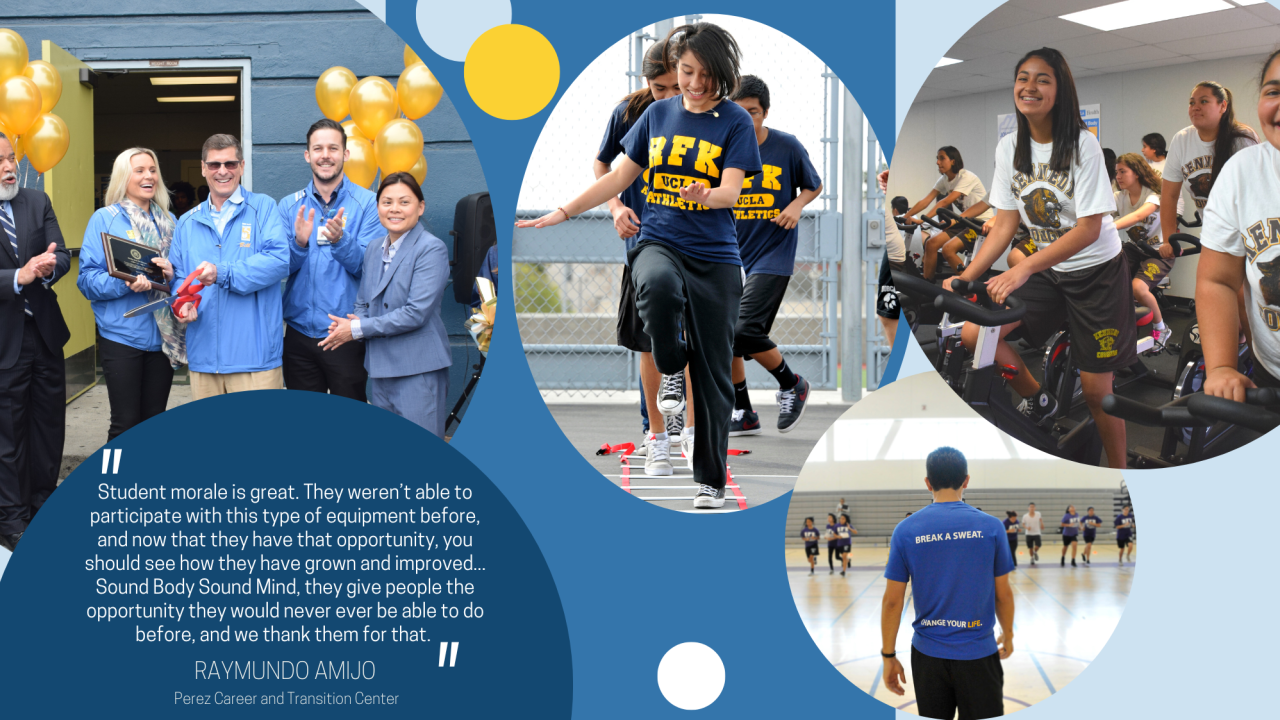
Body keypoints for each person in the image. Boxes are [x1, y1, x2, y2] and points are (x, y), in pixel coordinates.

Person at [516, 23, 761, 509]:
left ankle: (709, 480)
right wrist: (565, 211)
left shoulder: (734, 122)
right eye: (686, 72)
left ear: (723, 74)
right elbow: (617, 177)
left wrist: (706, 194)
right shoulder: (656, 116)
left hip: (715, 255)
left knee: (713, 376)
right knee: (655, 286)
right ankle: (671, 365)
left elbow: (732, 191)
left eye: (704, 76)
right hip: (660, 239)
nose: (693, 84)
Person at [944, 48, 1134, 469]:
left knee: (1096, 391)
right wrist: (964, 277)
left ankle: (1120, 472)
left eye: (1042, 79)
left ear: (1060, 89)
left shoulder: (1082, 145)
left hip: (1096, 271)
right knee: (977, 336)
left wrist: (1025, 267)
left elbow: (1087, 229)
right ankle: (1040, 398)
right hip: (1051, 268)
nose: (1029, 87)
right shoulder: (1009, 147)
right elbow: (1006, 223)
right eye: (1023, 78)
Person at [594, 40, 681, 473]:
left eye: (674, 85)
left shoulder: (707, 114)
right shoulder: (628, 114)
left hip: (694, 242)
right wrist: (616, 207)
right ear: (646, 82)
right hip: (644, 244)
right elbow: (602, 166)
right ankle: (656, 430)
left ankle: (694, 432)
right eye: (659, 87)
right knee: (648, 339)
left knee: (698, 343)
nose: (668, 96)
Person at [881, 447, 1014, 720]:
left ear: (928, 483)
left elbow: (893, 601)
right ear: (966, 480)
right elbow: (1003, 594)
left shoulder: (905, 530)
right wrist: (1008, 634)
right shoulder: (991, 527)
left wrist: (888, 655)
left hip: (928, 657)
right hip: (979, 654)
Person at [727, 75, 822, 435]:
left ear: (765, 112)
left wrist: (797, 205)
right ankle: (744, 411)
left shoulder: (786, 146)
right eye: (738, 112)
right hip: (733, 254)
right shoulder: (723, 148)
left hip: (773, 252)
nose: (746, 119)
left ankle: (791, 383)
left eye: (752, 112)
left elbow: (814, 184)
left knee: (743, 329)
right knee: (731, 336)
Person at [321, 172, 451, 436]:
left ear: (420, 206)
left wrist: (356, 329)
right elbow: (363, 302)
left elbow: (416, 313)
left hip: (418, 370)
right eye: (387, 202)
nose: (395, 209)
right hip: (380, 369)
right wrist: (355, 321)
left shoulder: (431, 248)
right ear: (378, 206)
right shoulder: (374, 248)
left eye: (404, 202)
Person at [169, 134, 289, 399]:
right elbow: (178, 277)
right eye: (214, 165)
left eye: (230, 164)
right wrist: (181, 303)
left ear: (242, 166)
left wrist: (222, 272)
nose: (223, 171)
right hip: (204, 358)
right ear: (203, 168)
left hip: (255, 359)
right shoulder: (187, 222)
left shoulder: (264, 208)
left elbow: (279, 261)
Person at [77, 147, 184, 440]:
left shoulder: (170, 222)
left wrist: (172, 276)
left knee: (154, 423)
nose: (148, 176)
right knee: (124, 424)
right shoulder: (104, 219)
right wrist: (123, 283)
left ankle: (146, 484)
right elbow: (86, 280)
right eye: (139, 170)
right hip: (122, 336)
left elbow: (182, 279)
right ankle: (112, 483)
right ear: (124, 177)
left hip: (163, 338)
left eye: (152, 170)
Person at [277, 118, 383, 401]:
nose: (325, 155)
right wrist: (299, 243)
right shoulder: (288, 206)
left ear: (346, 154)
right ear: (307, 155)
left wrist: (341, 241)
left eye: (333, 148)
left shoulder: (369, 205)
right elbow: (277, 268)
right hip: (298, 334)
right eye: (318, 148)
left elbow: (369, 268)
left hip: (345, 332)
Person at [0, 132, 68, 553]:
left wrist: (46, 268)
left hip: (44, 336)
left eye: (10, 158)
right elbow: (17, 273)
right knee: (8, 436)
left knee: (47, 427)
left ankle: (44, 506)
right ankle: (11, 518)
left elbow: (60, 254)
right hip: (4, 342)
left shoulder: (36, 201)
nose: (8, 167)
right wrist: (18, 277)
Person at [1198, 50, 1280, 400]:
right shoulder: (1243, 171)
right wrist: (1221, 367)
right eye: (1273, 91)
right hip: (1272, 370)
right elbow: (1217, 279)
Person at [1160, 79, 1257, 250]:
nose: (1195, 107)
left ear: (1222, 106)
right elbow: (1169, 195)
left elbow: (1257, 195)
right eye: (1192, 102)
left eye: (1204, 101)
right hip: (1214, 234)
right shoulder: (1182, 139)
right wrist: (1168, 239)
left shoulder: (1242, 139)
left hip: (1250, 230)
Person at [900, 147, 994, 280]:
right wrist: (903, 217)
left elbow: (945, 202)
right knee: (931, 244)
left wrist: (922, 221)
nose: (938, 162)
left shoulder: (966, 177)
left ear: (953, 161)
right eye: (937, 158)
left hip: (980, 223)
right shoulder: (945, 179)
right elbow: (926, 200)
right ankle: (927, 285)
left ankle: (968, 285)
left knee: (947, 249)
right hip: (963, 221)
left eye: (942, 158)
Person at [1113, 152, 1173, 349]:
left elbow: (1139, 215)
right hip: (1134, 248)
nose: (1118, 177)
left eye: (1123, 172)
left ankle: (1161, 327)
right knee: (1106, 276)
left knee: (1138, 288)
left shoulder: (1153, 195)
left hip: (1158, 252)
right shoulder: (1118, 197)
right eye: (1117, 172)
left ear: (1136, 173)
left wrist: (1110, 227)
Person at [837, 512, 856, 576]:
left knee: (844, 556)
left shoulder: (848, 525)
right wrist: (837, 536)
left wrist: (849, 528)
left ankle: (843, 571)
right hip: (840, 544)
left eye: (843, 519)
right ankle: (848, 560)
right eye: (841, 518)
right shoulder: (837, 525)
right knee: (843, 557)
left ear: (846, 520)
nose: (841, 520)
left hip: (847, 543)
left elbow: (856, 532)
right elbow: (834, 533)